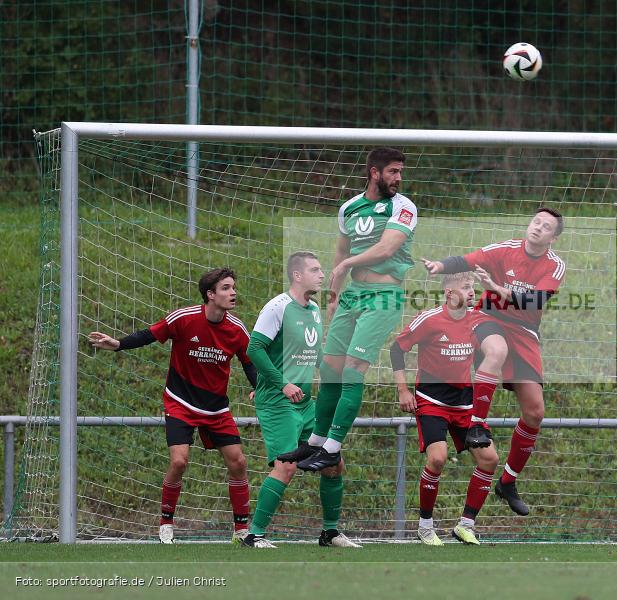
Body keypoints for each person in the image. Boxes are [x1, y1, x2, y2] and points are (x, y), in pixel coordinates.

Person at [88, 268, 257, 544]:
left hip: (216, 408)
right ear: (210, 294)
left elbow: (250, 364)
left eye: (233, 287)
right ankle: (166, 523)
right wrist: (118, 344)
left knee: (238, 462)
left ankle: (241, 530)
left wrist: (258, 388)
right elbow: (149, 334)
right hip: (181, 402)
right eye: (226, 288)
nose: (233, 292)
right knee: (179, 462)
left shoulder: (236, 329)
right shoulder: (184, 318)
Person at [278, 148, 416, 472]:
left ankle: (333, 447)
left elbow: (388, 247)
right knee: (329, 368)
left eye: (400, 172)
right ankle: (314, 442)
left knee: (354, 367)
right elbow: (341, 252)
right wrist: (333, 296)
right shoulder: (349, 208)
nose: (398, 178)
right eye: (393, 171)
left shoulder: (403, 206)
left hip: (384, 295)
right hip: (352, 295)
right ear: (374, 173)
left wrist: (347, 266)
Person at [421, 207, 566, 517]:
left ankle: (508, 482)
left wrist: (497, 288)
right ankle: (477, 425)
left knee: (535, 412)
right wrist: (439, 265)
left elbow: (535, 301)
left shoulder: (554, 266)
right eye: (536, 222)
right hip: (488, 318)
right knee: (495, 351)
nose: (538, 228)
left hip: (525, 331)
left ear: (554, 237)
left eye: (546, 226)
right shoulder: (505, 249)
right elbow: (468, 260)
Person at [241, 251, 360, 549]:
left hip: (307, 403)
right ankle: (253, 536)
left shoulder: (314, 309)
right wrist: (281, 384)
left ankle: (329, 533)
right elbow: (254, 349)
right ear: (297, 275)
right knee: (286, 465)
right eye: (315, 270)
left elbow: (312, 351)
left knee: (333, 463)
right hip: (278, 402)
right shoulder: (277, 307)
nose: (322, 275)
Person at [390, 273, 499, 546]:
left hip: (465, 402)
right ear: (449, 293)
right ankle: (425, 526)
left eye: (472, 287)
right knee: (437, 458)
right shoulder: (429, 319)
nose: (471, 292)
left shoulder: (478, 320)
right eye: (465, 287)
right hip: (432, 400)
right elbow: (396, 349)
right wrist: (403, 390)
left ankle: (465, 525)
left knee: (489, 459)